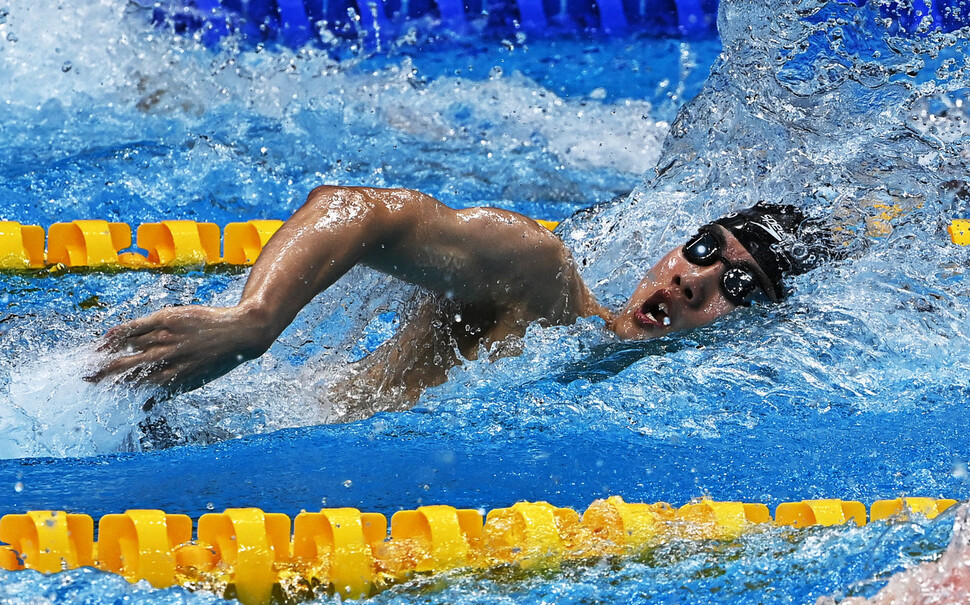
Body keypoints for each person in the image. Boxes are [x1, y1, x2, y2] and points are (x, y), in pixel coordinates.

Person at [88, 186, 821, 410]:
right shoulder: (539, 280)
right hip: (189, 405)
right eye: (702, 250)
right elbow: (365, 210)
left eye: (737, 285)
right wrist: (255, 320)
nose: (696, 279)